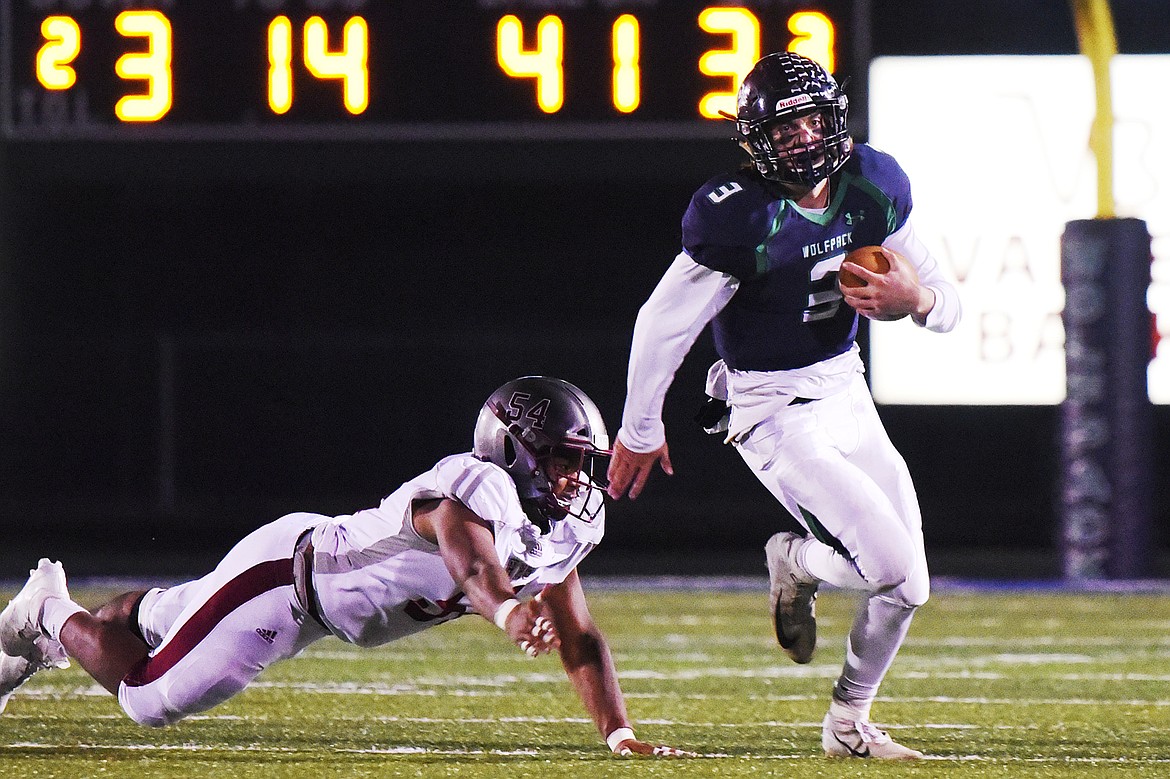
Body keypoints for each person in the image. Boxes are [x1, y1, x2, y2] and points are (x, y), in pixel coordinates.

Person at [0, 376, 692, 758]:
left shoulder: (560, 524)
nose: (577, 477)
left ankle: (32, 640)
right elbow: (472, 562)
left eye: (582, 460)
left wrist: (620, 735)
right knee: (151, 696)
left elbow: (582, 636)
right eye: (564, 458)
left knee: (159, 616)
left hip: (312, 587)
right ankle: (49, 611)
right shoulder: (472, 484)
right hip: (286, 585)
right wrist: (509, 609)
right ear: (514, 449)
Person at [606, 52, 961, 759]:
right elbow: (660, 325)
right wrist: (639, 427)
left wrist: (914, 298)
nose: (801, 137)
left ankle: (847, 723)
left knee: (910, 583)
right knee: (888, 562)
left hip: (846, 387)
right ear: (754, 139)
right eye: (785, 125)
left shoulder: (873, 186)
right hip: (771, 408)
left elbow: (947, 304)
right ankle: (794, 556)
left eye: (810, 119)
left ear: (834, 117)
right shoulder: (739, 217)